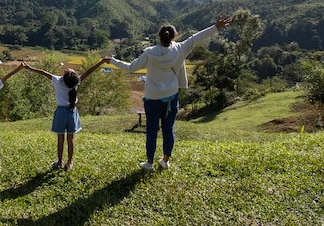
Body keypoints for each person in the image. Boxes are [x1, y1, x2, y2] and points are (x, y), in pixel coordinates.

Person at [105, 16, 232, 171]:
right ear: (174, 36)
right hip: (171, 98)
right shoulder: (180, 49)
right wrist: (216, 27)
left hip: (152, 99)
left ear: (159, 36)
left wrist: (112, 61)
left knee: (151, 131)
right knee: (168, 129)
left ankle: (149, 163)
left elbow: (131, 68)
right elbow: (196, 37)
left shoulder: (150, 53)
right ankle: (165, 161)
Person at [23, 58, 107, 170]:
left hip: (61, 112)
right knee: (71, 139)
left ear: (65, 76)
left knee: (60, 139)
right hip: (72, 112)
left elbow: (43, 72)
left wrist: (29, 68)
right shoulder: (76, 81)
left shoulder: (57, 80)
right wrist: (101, 62)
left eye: (69, 71)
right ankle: (69, 163)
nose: (69, 69)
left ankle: (59, 162)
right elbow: (89, 71)